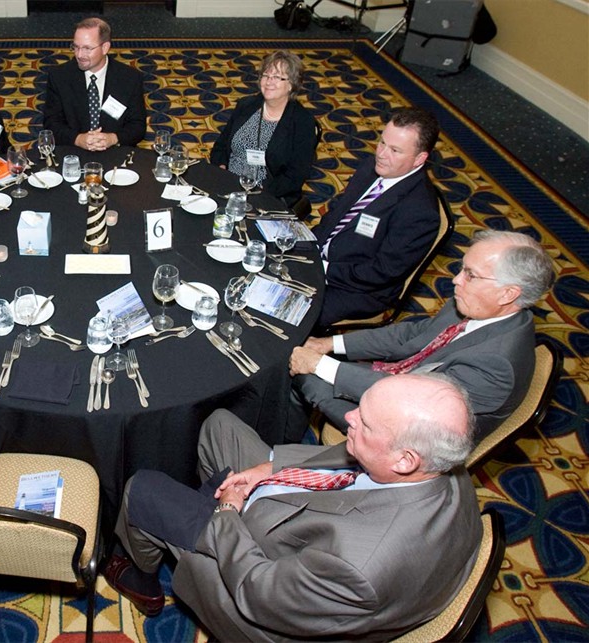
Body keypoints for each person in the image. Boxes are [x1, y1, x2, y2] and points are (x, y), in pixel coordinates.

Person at [105, 374, 481, 641]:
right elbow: (346, 457)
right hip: (305, 523)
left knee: (143, 490)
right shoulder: (442, 464)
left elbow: (258, 589)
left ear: (405, 459)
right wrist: (269, 468)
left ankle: (141, 578)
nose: (347, 417)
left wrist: (227, 513)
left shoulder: (360, 568)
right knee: (219, 425)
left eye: (364, 423)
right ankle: (196, 511)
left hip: (262, 582)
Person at [288, 230, 555, 441]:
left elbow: (408, 400)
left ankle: (279, 452)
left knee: (305, 377)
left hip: (411, 434)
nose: (455, 280)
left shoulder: (496, 365)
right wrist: (329, 343)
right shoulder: (475, 305)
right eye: (462, 269)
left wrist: (318, 364)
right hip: (407, 379)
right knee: (304, 363)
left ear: (508, 293)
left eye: (470, 275)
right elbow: (411, 335)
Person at [313, 106, 442, 327]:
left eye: (395, 150)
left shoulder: (420, 213)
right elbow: (336, 214)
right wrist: (307, 245)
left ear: (420, 158)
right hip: (326, 257)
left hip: (358, 288)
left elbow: (381, 272)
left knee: (289, 315)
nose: (381, 155)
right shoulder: (370, 168)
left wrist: (322, 268)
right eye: (382, 143)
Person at [210, 51, 317, 208]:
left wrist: (258, 192)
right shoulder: (246, 105)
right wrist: (222, 170)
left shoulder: (302, 122)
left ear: (292, 84)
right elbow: (220, 147)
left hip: (268, 193)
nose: (268, 82)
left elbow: (295, 176)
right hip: (229, 183)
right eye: (266, 75)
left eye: (277, 77)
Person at [42, 17, 146, 152]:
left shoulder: (130, 78)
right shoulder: (59, 76)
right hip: (73, 151)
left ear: (105, 47)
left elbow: (138, 127)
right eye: (76, 47)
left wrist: (112, 139)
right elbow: (51, 123)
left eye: (87, 48)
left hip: (115, 152)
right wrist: (78, 139)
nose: (79, 55)